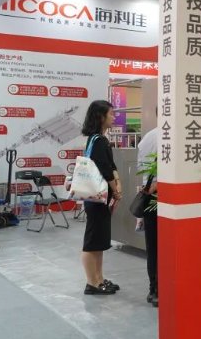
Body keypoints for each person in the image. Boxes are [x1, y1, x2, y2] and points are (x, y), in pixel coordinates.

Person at [81, 100, 123, 295]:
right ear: (100, 117)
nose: (114, 117)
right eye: (111, 114)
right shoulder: (98, 140)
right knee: (92, 241)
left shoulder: (97, 139)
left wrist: (117, 185)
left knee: (99, 241)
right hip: (97, 198)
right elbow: (105, 169)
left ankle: (99, 278)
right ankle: (92, 283)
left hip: (99, 198)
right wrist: (116, 189)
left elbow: (111, 166)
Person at [137, 123, 158, 307]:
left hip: (148, 196)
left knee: (153, 246)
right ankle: (161, 288)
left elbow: (142, 171)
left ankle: (154, 289)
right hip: (164, 195)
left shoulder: (147, 138)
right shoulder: (173, 137)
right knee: (166, 246)